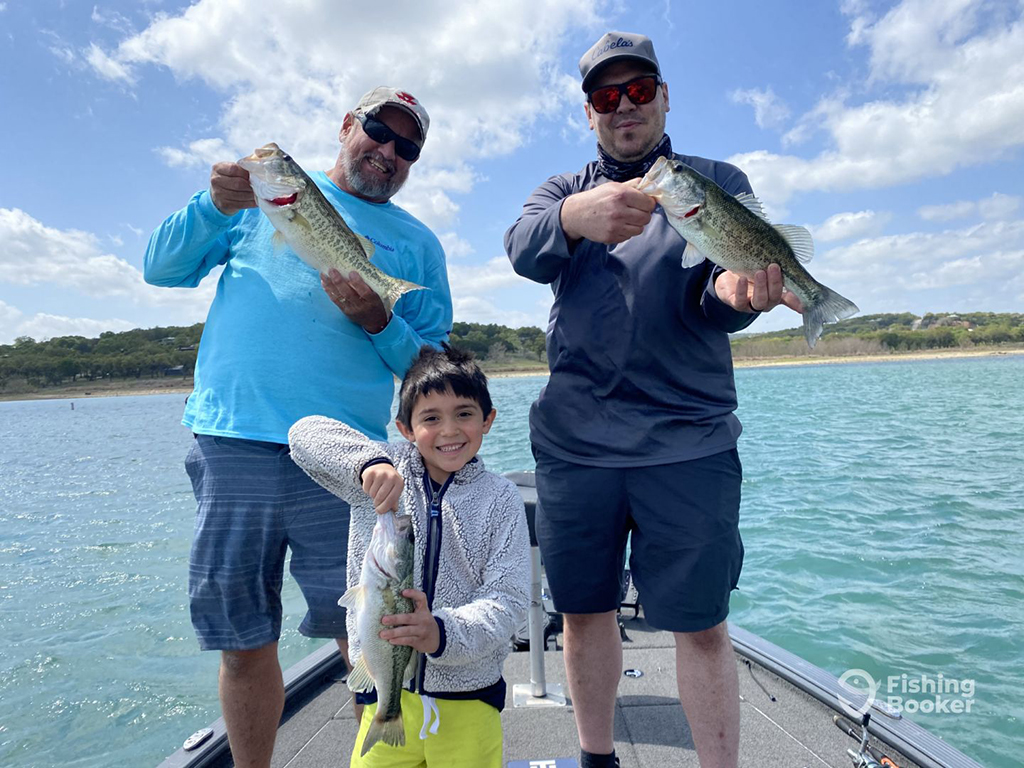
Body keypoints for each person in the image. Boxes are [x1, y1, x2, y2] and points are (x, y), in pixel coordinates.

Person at [504, 32, 803, 768]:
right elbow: (520, 247)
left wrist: (741, 295)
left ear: (666, 97)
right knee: (582, 611)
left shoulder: (716, 179)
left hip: (690, 441)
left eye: (640, 90)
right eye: (608, 96)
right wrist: (575, 219)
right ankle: (597, 758)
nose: (625, 105)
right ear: (589, 113)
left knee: (702, 624)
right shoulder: (561, 192)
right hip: (577, 446)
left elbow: (723, 296)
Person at [144, 86, 453, 768]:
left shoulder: (418, 246)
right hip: (234, 445)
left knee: (364, 630)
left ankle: (383, 758)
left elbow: (432, 368)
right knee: (243, 637)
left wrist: (378, 319)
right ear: (347, 126)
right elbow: (159, 267)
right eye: (378, 130)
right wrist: (212, 202)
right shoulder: (256, 200)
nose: (389, 151)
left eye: (408, 147)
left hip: (347, 461)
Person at [288, 343, 531, 768]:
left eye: (465, 414)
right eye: (430, 418)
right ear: (405, 428)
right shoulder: (383, 475)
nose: (450, 431)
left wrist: (441, 632)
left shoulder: (501, 498)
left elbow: (508, 602)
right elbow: (303, 434)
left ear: (488, 420)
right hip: (388, 691)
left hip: (468, 698)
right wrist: (367, 463)